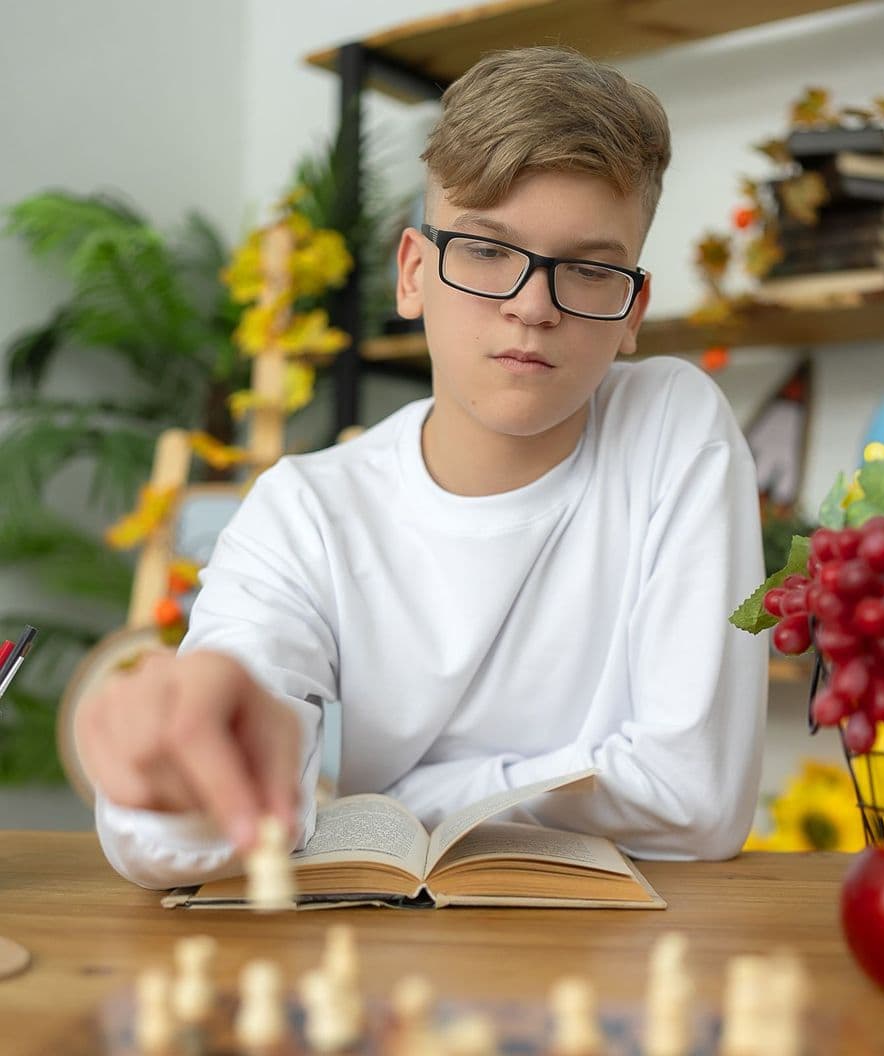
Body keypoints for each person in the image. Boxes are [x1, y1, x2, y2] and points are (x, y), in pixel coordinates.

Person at [75, 45, 767, 889]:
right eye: (484, 251)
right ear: (413, 273)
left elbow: (693, 800)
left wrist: (403, 797)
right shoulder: (305, 511)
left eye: (588, 270)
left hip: (629, 969)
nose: (533, 306)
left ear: (632, 312)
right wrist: (178, 770)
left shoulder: (672, 424)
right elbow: (177, 838)